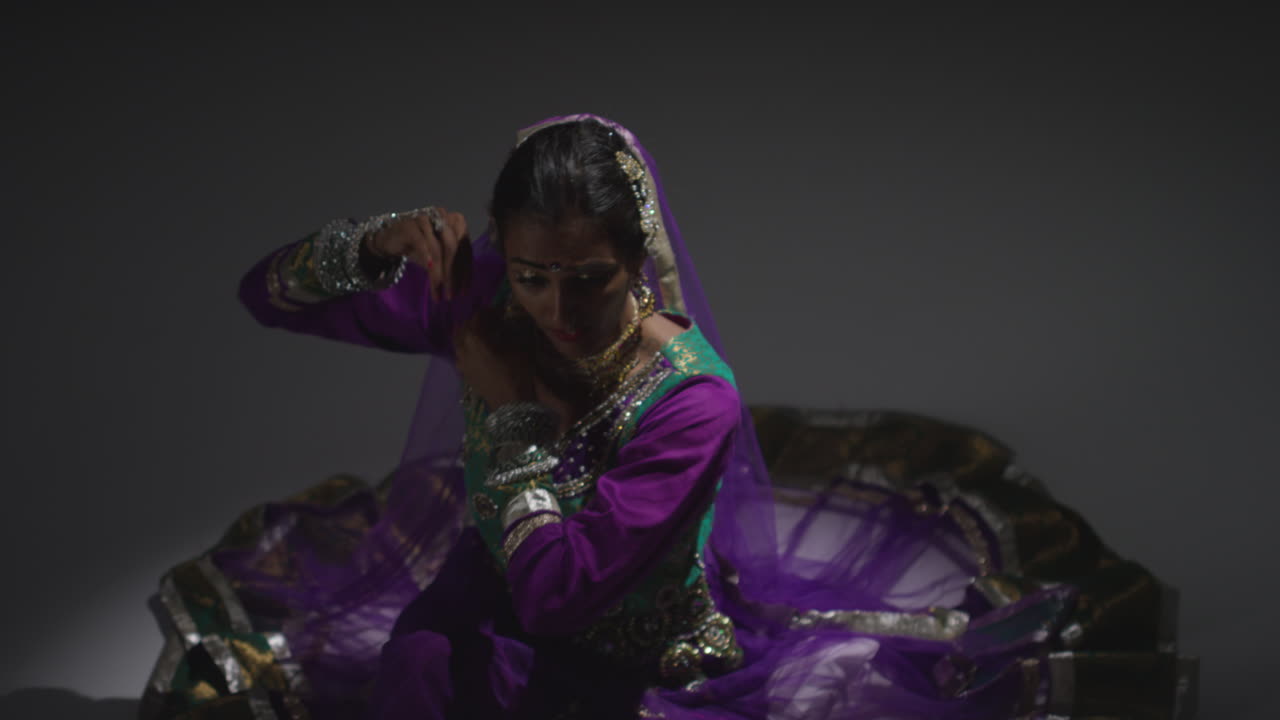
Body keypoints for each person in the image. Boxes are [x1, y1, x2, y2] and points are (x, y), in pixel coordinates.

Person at [141, 115, 1194, 720]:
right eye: (535, 275)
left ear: (638, 258)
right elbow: (262, 296)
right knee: (416, 668)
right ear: (507, 252)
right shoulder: (492, 302)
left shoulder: (691, 396)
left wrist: (505, 406)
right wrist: (371, 247)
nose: (555, 311)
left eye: (588, 278)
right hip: (489, 583)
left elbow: (557, 596)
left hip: (615, 638)